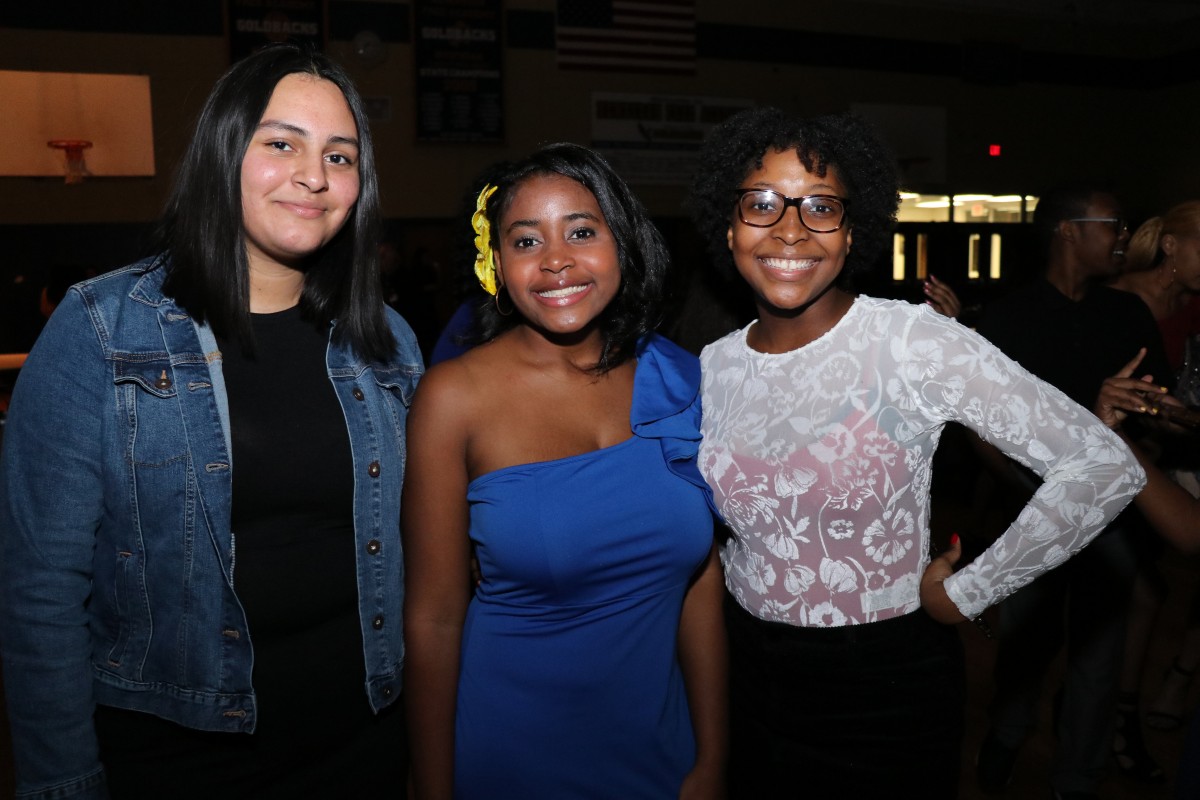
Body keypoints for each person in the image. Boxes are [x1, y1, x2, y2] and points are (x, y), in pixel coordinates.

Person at [0, 43, 422, 799]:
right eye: (281, 143)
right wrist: (61, 779)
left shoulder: (386, 343)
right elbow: (38, 591)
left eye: (340, 155)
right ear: (224, 150)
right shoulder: (101, 327)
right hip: (174, 756)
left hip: (362, 740)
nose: (314, 175)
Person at [687, 107, 1146, 798]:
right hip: (747, 670)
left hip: (881, 682)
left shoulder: (910, 342)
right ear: (729, 227)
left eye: (820, 206)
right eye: (761, 204)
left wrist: (970, 592)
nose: (789, 228)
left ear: (851, 231)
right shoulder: (714, 364)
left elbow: (1104, 465)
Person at [403, 143, 726, 799]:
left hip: (659, 748)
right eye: (526, 241)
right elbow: (433, 618)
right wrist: (432, 788)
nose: (555, 259)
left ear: (623, 243)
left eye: (581, 231)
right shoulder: (454, 399)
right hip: (513, 753)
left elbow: (699, 577)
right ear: (496, 264)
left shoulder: (681, 379)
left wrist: (714, 757)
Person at [970, 183, 1172, 800]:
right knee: (1025, 646)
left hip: (1112, 519)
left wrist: (1159, 418)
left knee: (1098, 656)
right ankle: (1006, 737)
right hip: (1032, 515)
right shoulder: (1005, 320)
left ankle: (1076, 778)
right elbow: (980, 432)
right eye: (1112, 223)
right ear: (1068, 232)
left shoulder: (1127, 315)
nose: (1121, 236)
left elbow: (1156, 408)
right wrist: (1034, 489)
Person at [1102, 202, 1200, 779]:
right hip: (1126, 465)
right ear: (1171, 246)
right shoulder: (1118, 301)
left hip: (1176, 456)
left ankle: (1163, 688)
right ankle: (1117, 714)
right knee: (1138, 592)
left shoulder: (1194, 309)